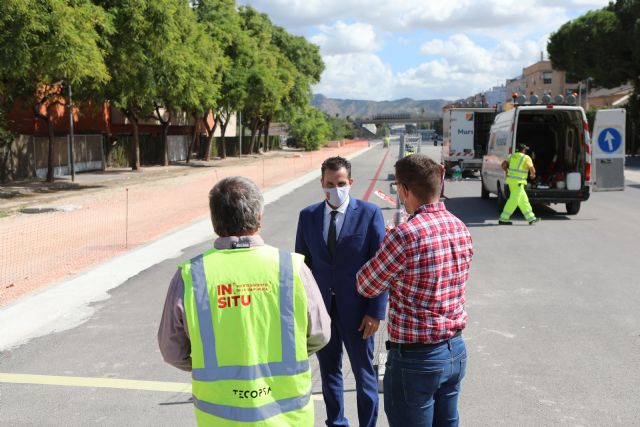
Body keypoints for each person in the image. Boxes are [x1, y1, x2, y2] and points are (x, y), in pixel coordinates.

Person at [158, 176, 331, 426]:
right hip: (287, 416)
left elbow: (172, 350)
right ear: (259, 217)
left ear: (215, 220)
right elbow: (320, 334)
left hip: (219, 417)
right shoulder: (291, 268)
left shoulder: (192, 275)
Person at [356, 154, 473, 427]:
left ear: (405, 190)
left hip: (416, 359)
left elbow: (366, 284)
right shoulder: (459, 227)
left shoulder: (404, 235)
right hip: (454, 350)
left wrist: (386, 246)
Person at [295, 156, 387, 427]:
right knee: (329, 373)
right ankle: (336, 422)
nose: (335, 189)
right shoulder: (308, 216)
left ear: (351, 183)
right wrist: (304, 310)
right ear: (322, 183)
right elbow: (303, 265)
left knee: (364, 375)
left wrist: (375, 311)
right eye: (329, 184)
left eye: (341, 183)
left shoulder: (370, 214)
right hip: (322, 311)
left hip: (359, 312)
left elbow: (379, 266)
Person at [499, 143, 539, 225]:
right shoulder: (526, 157)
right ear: (523, 150)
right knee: (513, 201)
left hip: (511, 182)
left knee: (523, 201)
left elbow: (503, 165)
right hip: (519, 183)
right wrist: (533, 175)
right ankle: (503, 219)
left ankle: (531, 218)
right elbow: (532, 168)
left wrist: (507, 172)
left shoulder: (511, 156)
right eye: (525, 149)